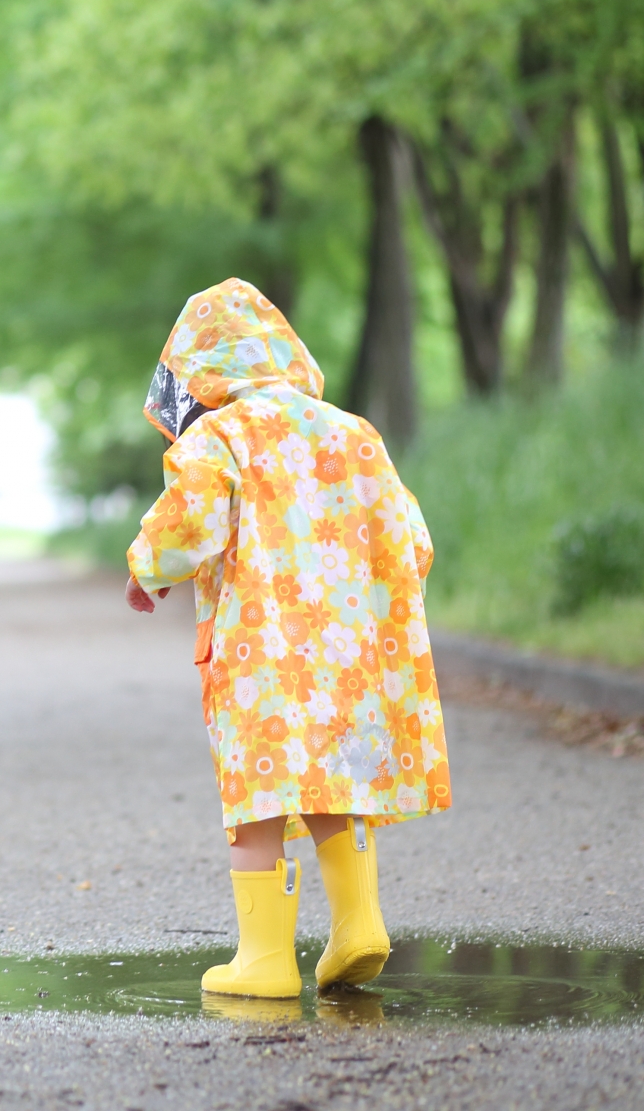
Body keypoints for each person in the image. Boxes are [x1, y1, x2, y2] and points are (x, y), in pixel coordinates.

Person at [123, 278, 452, 999]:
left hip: (259, 651)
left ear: (201, 368)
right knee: (333, 779)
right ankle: (359, 922)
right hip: (350, 652)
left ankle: (266, 960)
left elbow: (188, 524)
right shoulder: (352, 432)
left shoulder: (221, 437)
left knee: (261, 794)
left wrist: (146, 568)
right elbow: (412, 538)